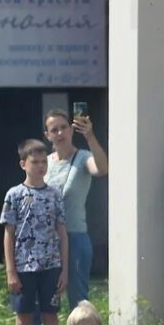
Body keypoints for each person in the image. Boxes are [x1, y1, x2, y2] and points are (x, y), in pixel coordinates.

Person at [1, 137, 70, 325]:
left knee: (51, 318)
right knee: (24, 319)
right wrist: (11, 271)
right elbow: (9, 234)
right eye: (35, 162)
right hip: (23, 266)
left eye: (43, 162)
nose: (40, 166)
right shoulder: (14, 194)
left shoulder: (54, 194)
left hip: (51, 264)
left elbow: (62, 232)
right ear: (23, 164)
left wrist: (65, 269)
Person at [45, 107, 106, 308]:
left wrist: (89, 136)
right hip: (47, 240)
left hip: (75, 236)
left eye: (63, 127)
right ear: (47, 135)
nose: (60, 133)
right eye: (54, 130)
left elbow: (103, 169)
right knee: (46, 300)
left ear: (71, 130)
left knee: (78, 298)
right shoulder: (43, 163)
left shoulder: (83, 157)